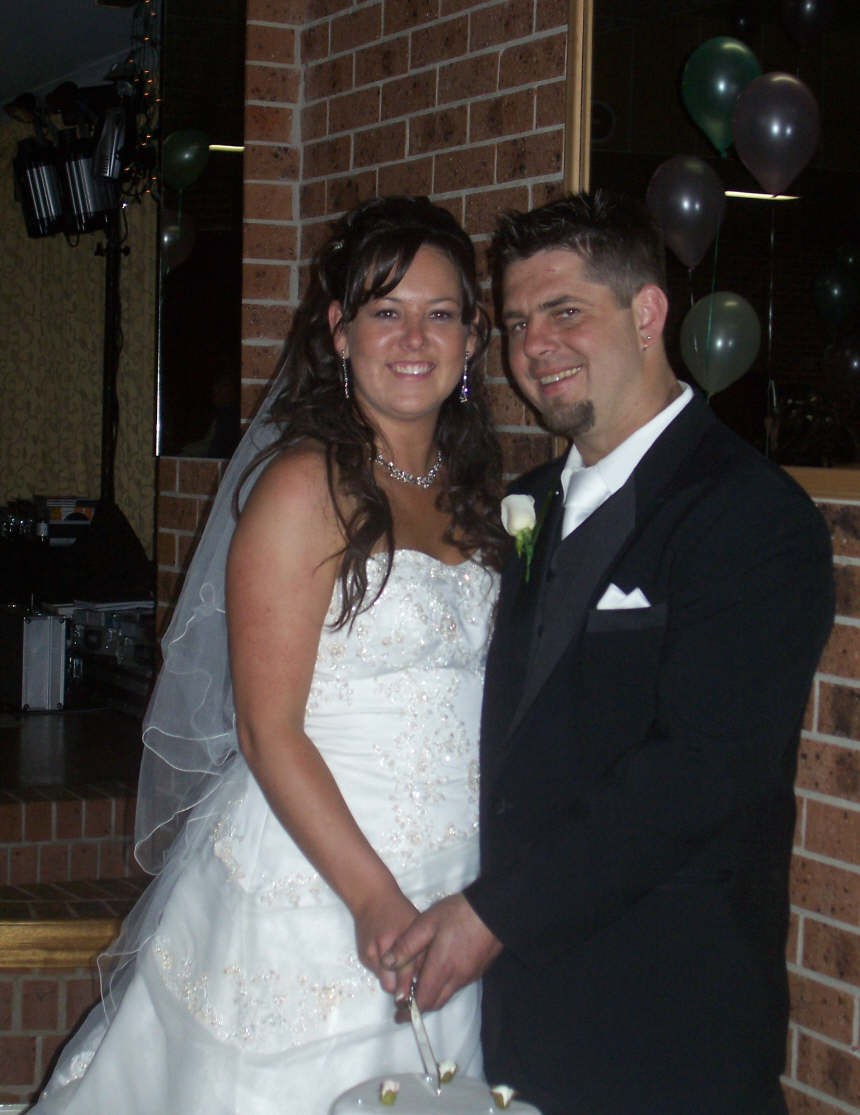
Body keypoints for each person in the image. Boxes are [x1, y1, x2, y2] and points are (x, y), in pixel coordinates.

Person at [30, 196, 506, 1115]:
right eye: (386, 310)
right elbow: (267, 728)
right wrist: (373, 900)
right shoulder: (302, 487)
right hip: (321, 886)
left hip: (453, 878)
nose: (415, 337)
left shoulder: (472, 495)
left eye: (440, 313)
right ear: (340, 332)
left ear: (473, 338)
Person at [383, 191, 836, 1115]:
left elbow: (701, 771)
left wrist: (494, 913)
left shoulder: (750, 514)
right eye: (517, 323)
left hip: (665, 1018)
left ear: (647, 312)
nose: (535, 346)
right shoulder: (526, 501)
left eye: (565, 312)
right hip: (519, 1014)